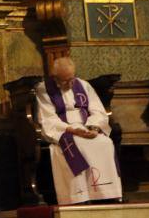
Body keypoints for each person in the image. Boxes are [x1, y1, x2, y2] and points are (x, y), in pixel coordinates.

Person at [36, 57, 122, 205]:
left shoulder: (84, 85)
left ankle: (105, 193)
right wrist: (72, 130)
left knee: (105, 143)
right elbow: (48, 118)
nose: (70, 84)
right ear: (54, 77)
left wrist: (94, 128)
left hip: (88, 127)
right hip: (65, 131)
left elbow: (98, 111)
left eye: (72, 79)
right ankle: (80, 196)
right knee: (78, 144)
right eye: (65, 81)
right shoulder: (44, 90)